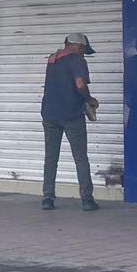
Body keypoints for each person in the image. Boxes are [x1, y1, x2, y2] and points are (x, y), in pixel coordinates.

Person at [41, 32, 100, 212]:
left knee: (51, 158)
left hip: (50, 114)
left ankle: (47, 199)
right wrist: (89, 100)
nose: (83, 53)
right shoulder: (77, 60)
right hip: (72, 115)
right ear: (79, 46)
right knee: (80, 157)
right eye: (83, 50)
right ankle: (87, 200)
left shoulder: (52, 59)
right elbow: (80, 84)